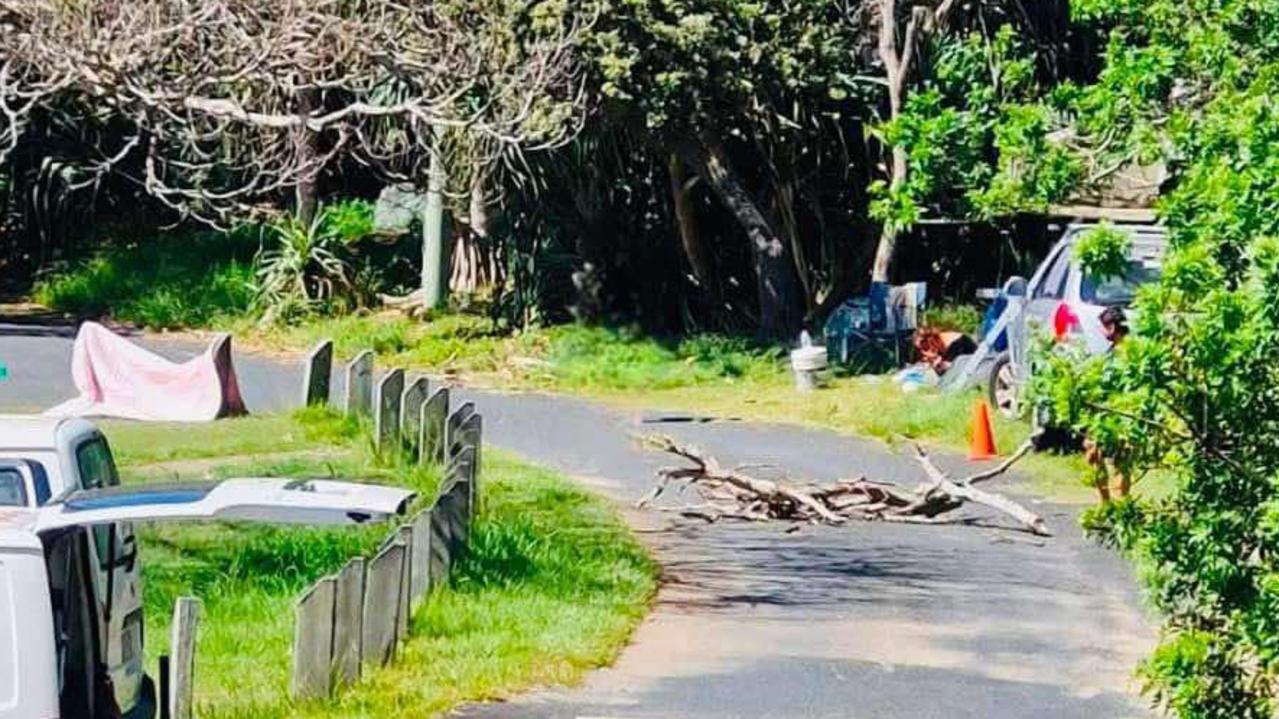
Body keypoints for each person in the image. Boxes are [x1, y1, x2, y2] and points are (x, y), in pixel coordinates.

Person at [1085, 306, 1131, 502]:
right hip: (1106, 413)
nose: (1101, 332)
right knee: (1094, 454)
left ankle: (1118, 503)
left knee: (1119, 461)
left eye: (1103, 327)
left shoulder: (1125, 354)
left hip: (1119, 414)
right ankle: (1107, 502)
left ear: (1112, 327)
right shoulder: (1112, 352)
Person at [913, 327, 977, 375]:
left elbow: (949, 368)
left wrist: (937, 364)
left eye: (925, 347)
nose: (922, 352)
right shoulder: (938, 341)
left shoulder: (955, 344)